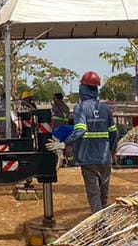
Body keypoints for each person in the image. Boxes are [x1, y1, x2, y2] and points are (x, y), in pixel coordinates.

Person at [50, 71, 119, 214]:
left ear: (83, 89)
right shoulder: (106, 109)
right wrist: (112, 152)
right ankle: (105, 225)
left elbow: (80, 130)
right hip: (105, 159)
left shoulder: (80, 108)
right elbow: (114, 133)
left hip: (89, 160)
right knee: (104, 197)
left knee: (94, 197)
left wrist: (64, 143)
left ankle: (101, 227)